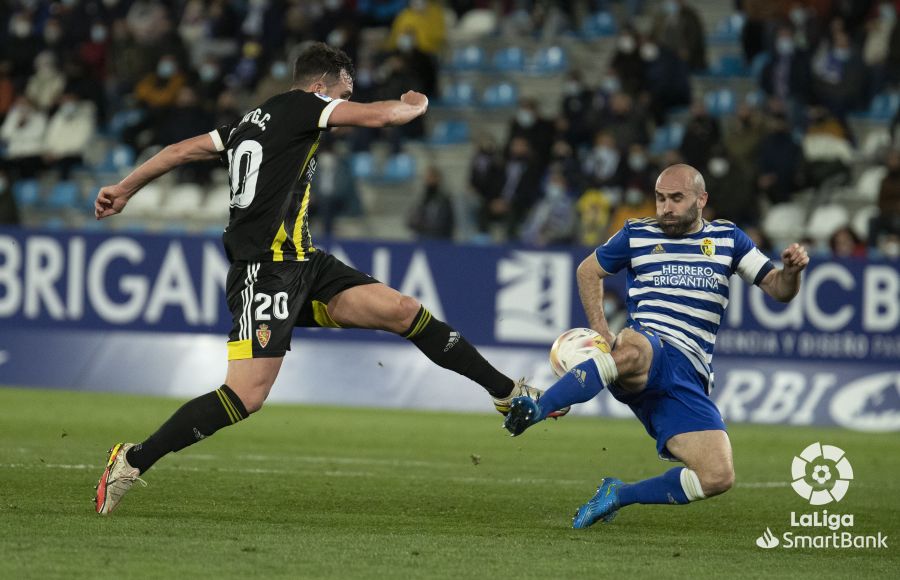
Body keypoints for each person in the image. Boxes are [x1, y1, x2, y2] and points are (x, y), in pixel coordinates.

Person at [92, 42, 558, 516]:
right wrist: (413, 106)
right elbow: (382, 118)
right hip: (266, 270)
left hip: (306, 263)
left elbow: (178, 150)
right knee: (246, 396)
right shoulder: (303, 107)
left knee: (403, 311)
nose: (345, 103)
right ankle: (131, 460)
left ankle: (506, 392)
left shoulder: (253, 120)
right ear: (320, 87)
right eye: (342, 93)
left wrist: (124, 189)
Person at [503, 164, 809, 528]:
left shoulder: (728, 239)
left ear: (701, 199)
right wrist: (602, 334)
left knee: (716, 476)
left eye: (676, 199)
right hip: (649, 344)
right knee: (635, 347)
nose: (665, 207)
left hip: (688, 375)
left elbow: (777, 288)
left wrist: (790, 273)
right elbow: (588, 270)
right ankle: (539, 407)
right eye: (661, 198)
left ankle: (618, 494)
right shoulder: (637, 234)